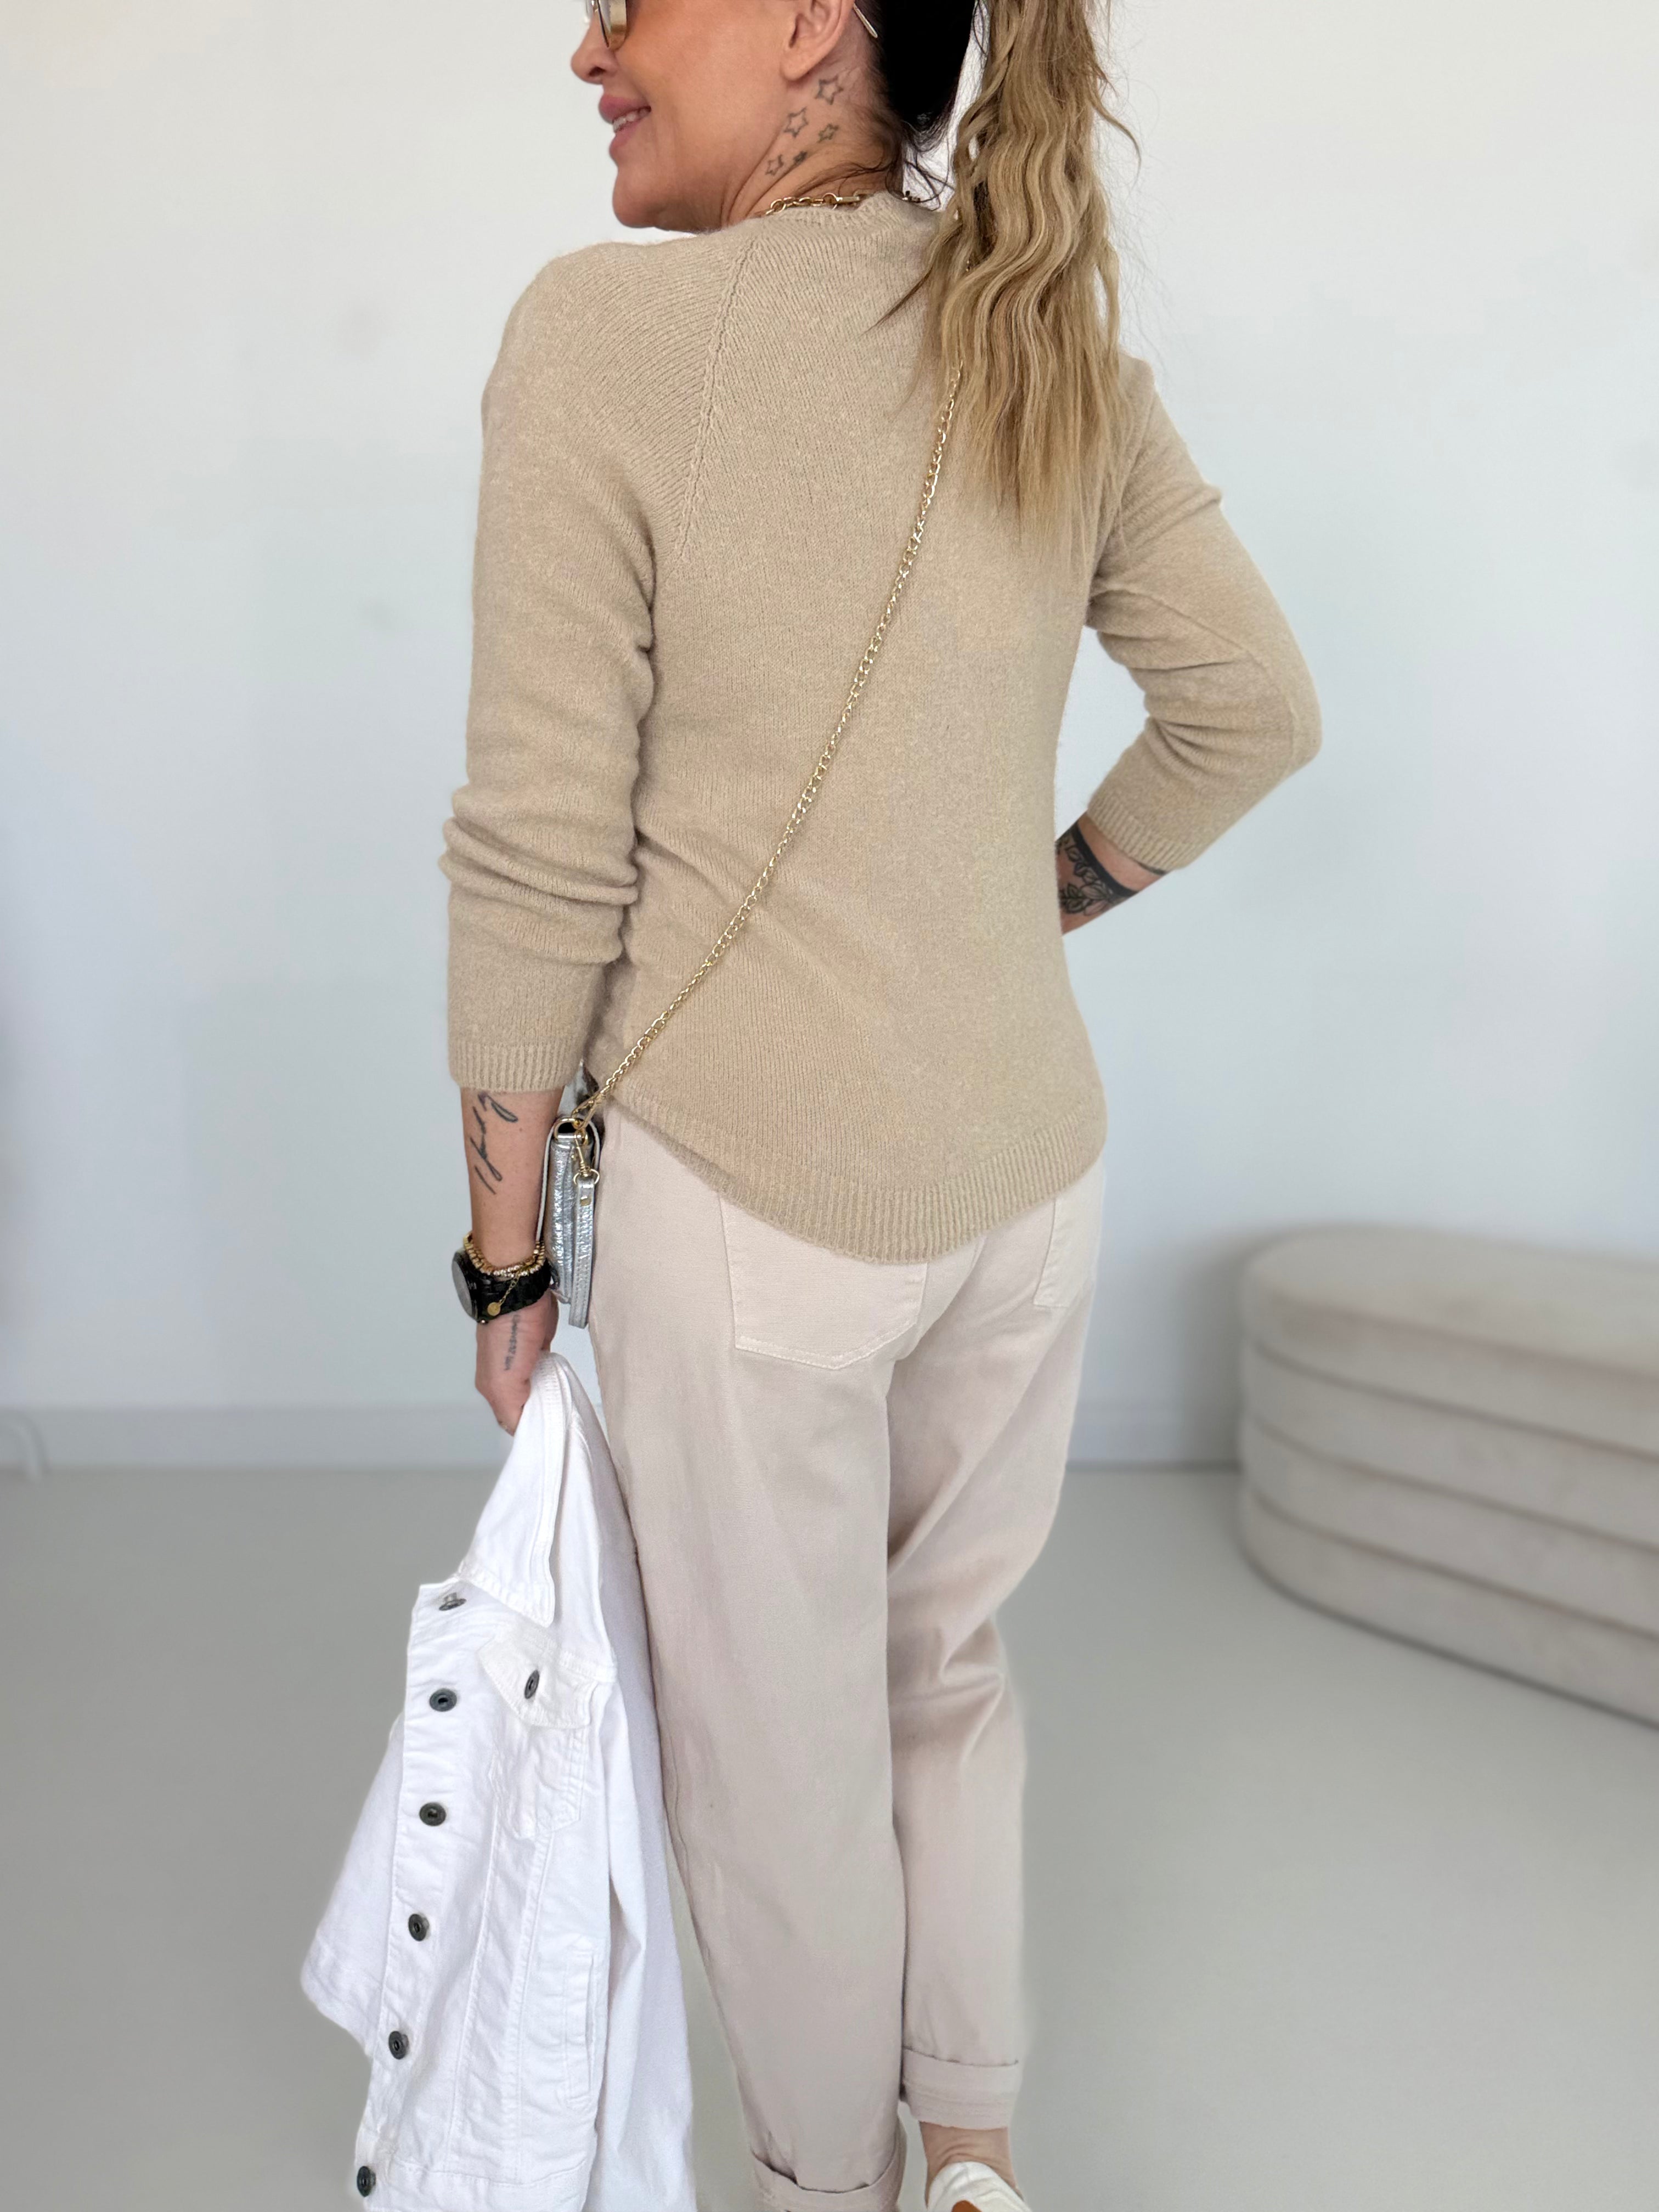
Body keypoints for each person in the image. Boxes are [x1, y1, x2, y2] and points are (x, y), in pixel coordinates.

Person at [439, 2, 1321, 2208]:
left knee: (779, 1766)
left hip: (759, 1209)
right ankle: (975, 2158)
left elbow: (542, 849)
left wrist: (506, 1260)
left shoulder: (603, 339)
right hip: (1026, 1175)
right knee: (949, 1672)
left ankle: (825, 2185)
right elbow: (1251, 706)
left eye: (632, 0)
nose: (587, 50)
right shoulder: (1047, 342)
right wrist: (1039, 902)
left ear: (810, 21)